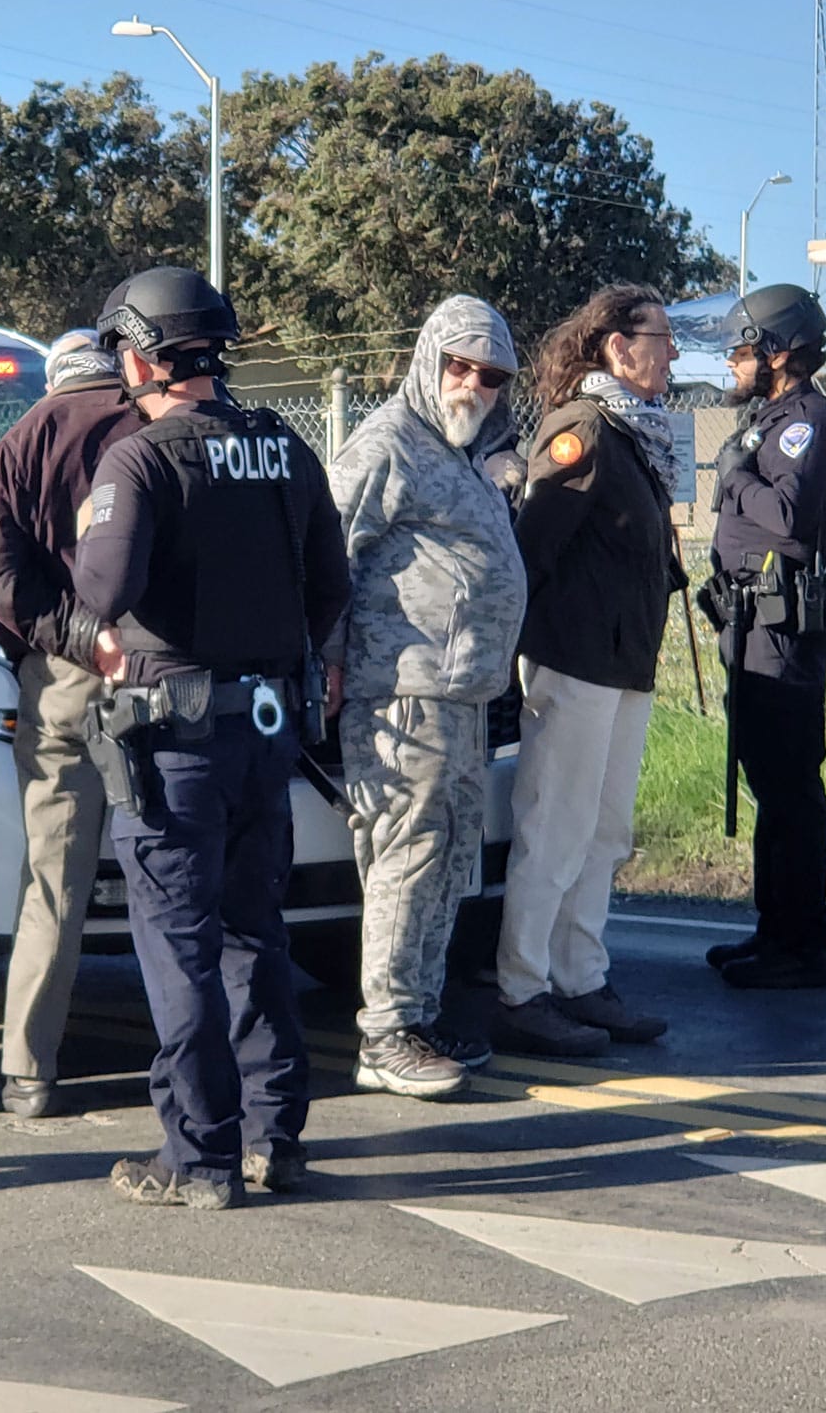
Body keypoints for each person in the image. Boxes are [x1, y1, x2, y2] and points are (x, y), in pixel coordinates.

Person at [74, 266, 349, 1208]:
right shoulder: (285, 448)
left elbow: (101, 595)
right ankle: (278, 1135)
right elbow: (330, 588)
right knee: (253, 936)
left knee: (178, 947)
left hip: (173, 742)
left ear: (142, 355)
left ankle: (199, 1158)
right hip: (266, 734)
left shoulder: (139, 461)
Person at [326, 295, 527, 1099]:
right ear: (429, 360)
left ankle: (420, 1011)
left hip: (463, 697)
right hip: (403, 694)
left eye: (491, 374)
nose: (473, 385)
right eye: (460, 366)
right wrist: (331, 664)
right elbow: (327, 552)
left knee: (447, 861)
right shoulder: (385, 445)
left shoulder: (459, 450)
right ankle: (385, 1033)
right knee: (408, 857)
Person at [492, 284, 684, 1057]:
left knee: (604, 833)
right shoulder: (584, 431)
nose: (672, 353)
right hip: (574, 664)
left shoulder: (636, 434)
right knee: (556, 831)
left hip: (623, 665)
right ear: (617, 346)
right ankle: (521, 989)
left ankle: (581, 978)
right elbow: (531, 550)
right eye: (661, 337)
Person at [0, 327, 139, 1118]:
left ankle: (29, 1071)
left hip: (64, 681)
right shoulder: (156, 423)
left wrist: (73, 637)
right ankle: (197, 1060)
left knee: (52, 885)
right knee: (175, 880)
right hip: (158, 671)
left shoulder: (16, 445)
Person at [700, 285, 826, 990]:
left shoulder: (809, 424)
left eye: (743, 349)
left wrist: (733, 482)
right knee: (769, 783)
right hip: (749, 627)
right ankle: (774, 931)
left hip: (784, 630)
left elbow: (790, 519)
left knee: (791, 787)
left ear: (780, 352)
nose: (734, 362)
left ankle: (805, 947)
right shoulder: (770, 419)